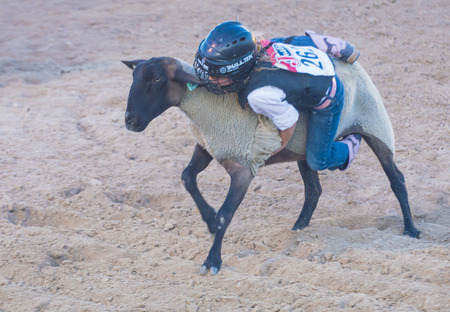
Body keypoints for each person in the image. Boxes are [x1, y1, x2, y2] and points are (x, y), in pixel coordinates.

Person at [193, 21, 362, 171]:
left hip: (329, 91)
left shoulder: (258, 95)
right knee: (276, 44)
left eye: (215, 75)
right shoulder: (257, 47)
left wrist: (279, 146)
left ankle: (350, 147)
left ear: (237, 72)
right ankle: (330, 45)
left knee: (318, 161)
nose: (210, 79)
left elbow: (289, 119)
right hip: (308, 58)